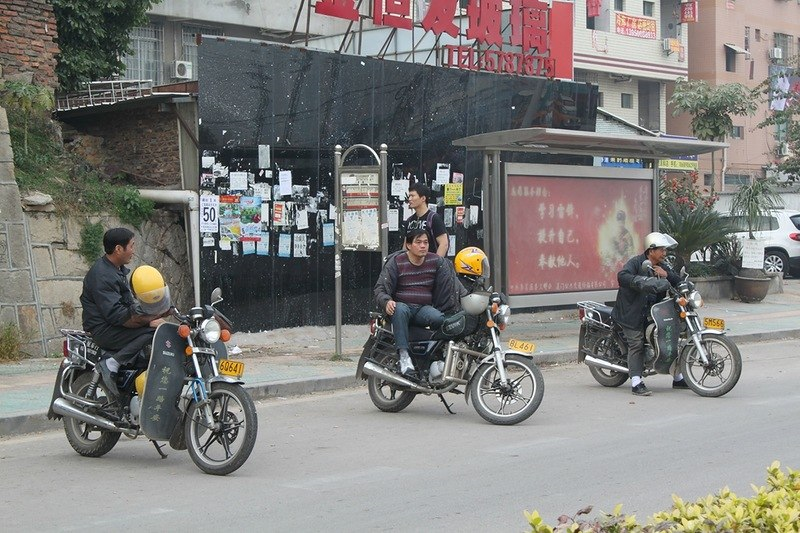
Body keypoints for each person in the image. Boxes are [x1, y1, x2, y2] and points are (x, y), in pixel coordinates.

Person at [80, 228, 167, 400]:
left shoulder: (116, 270)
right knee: (152, 332)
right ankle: (112, 363)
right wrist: (148, 322)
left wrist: (155, 310)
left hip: (114, 325)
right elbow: (117, 314)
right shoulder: (102, 275)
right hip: (104, 330)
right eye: (132, 246)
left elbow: (128, 305)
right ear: (119, 249)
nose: (133, 251)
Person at [611, 231, 688, 396]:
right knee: (636, 343)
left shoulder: (662, 266)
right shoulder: (636, 263)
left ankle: (678, 377)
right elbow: (622, 277)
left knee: (670, 338)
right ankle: (636, 382)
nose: (664, 253)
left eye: (665, 250)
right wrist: (644, 281)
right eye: (661, 250)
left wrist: (666, 274)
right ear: (651, 250)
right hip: (631, 313)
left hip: (652, 313)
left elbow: (675, 280)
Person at [374, 230, 459, 379]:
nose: (423, 246)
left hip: (423, 309)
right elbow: (380, 288)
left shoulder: (436, 262)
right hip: (403, 308)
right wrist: (387, 301)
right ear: (408, 245)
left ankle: (430, 357)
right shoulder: (397, 262)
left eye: (426, 242)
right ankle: (404, 356)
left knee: (439, 318)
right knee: (399, 308)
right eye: (418, 242)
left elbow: (452, 283)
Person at [403, 182, 448, 257]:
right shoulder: (409, 220)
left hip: (430, 265)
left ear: (423, 198)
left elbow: (444, 244)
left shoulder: (434, 218)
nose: (409, 199)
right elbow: (406, 246)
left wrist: (435, 265)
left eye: (412, 196)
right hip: (413, 266)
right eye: (409, 196)